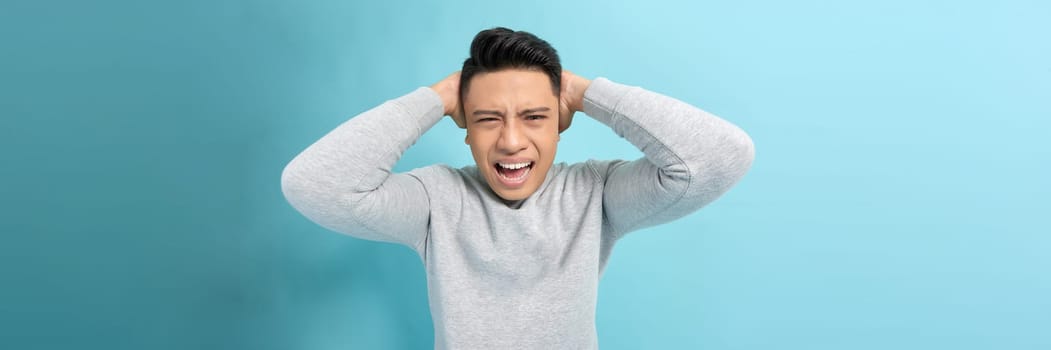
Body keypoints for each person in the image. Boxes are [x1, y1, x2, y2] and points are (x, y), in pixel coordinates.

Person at [281, 27, 755, 349]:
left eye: (534, 117)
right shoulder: (434, 200)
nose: (510, 141)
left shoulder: (597, 192)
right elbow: (317, 184)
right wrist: (440, 96)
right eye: (488, 119)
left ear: (560, 123)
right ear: (464, 125)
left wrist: (585, 92)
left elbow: (718, 158)